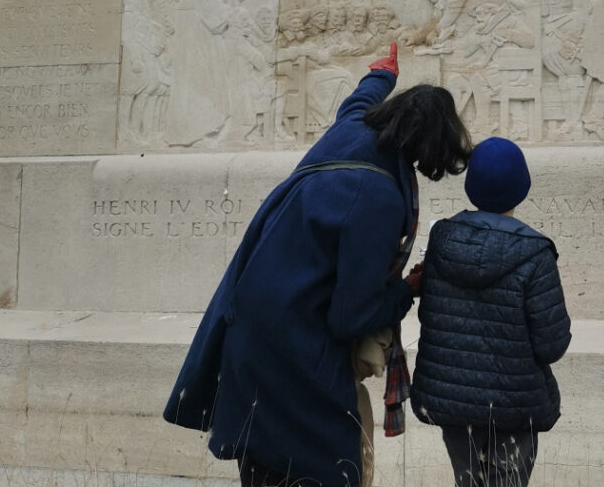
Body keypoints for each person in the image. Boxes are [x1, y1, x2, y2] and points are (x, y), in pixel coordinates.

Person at [163, 43, 471, 487]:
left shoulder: (350, 131)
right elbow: (352, 315)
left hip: (250, 340)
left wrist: (381, 73)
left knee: (260, 469)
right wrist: (408, 289)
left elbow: (359, 101)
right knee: (313, 471)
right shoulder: (377, 197)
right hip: (295, 358)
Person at [410, 137, 572, 487]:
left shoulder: (441, 240)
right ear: (522, 188)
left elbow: (432, 320)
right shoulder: (535, 253)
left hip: (452, 401)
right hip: (515, 405)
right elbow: (551, 345)